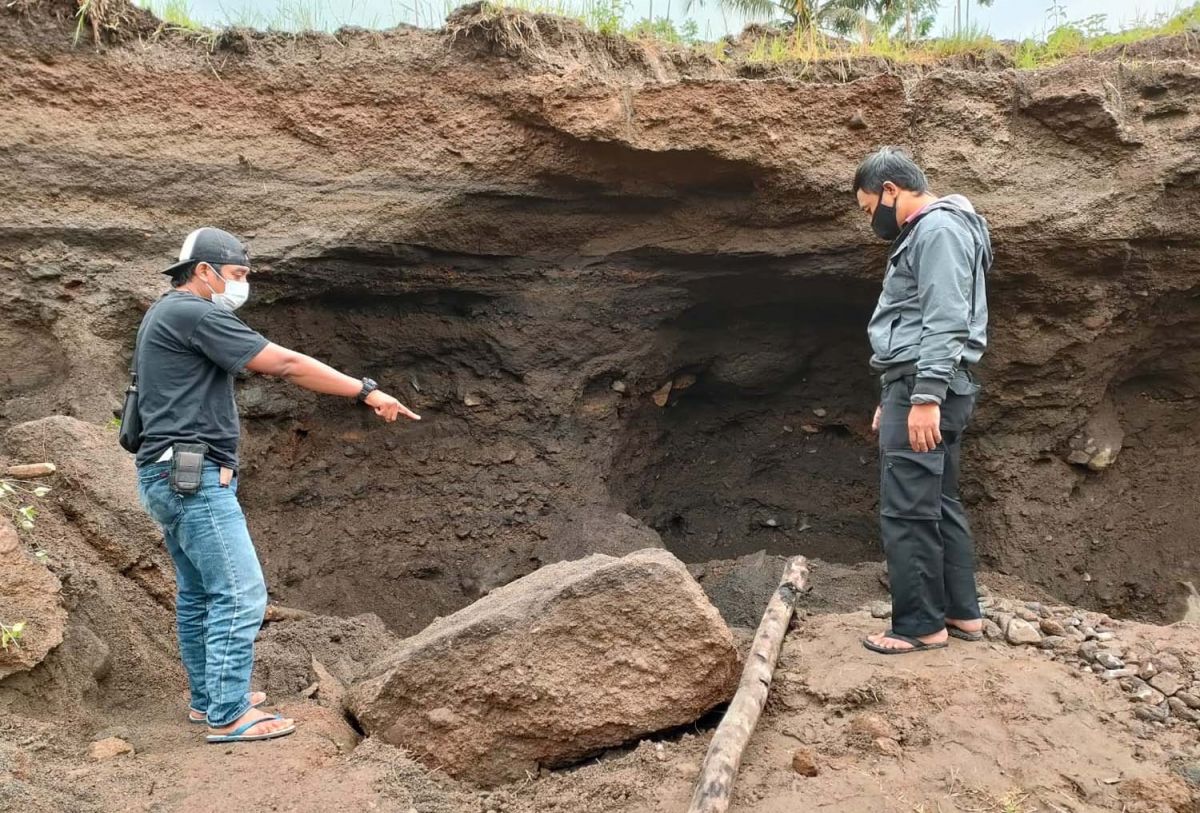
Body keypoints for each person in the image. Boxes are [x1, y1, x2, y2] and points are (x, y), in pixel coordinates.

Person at [131, 227, 421, 741]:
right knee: (241, 594)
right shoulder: (195, 312)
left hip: (168, 472)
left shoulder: (164, 311)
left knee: (199, 593)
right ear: (204, 271)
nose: (241, 286)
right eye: (237, 275)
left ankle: (210, 698)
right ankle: (228, 715)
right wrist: (367, 392)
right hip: (193, 478)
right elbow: (285, 364)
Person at [852, 148, 993, 655]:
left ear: (891, 190)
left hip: (925, 385)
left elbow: (945, 316)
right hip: (917, 384)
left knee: (907, 508)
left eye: (870, 208)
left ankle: (917, 626)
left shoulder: (936, 230)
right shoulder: (951, 228)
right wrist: (894, 395)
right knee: (938, 502)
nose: (873, 220)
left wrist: (923, 393)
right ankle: (961, 613)